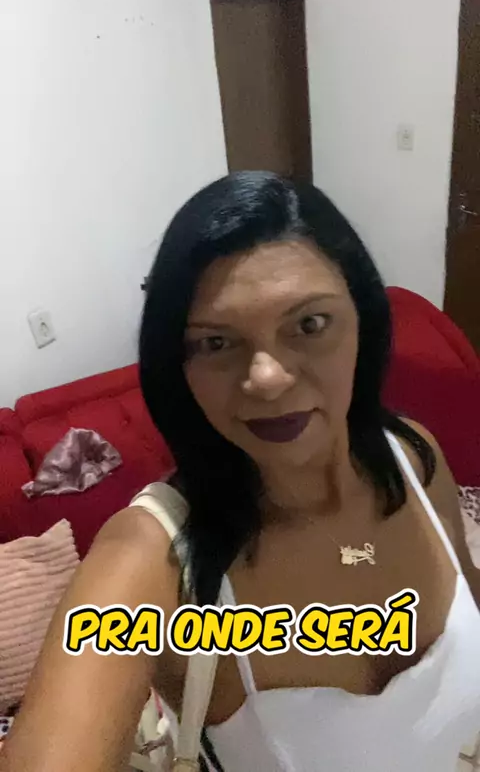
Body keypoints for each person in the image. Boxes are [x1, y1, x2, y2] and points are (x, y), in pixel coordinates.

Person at [2, 171, 480, 772]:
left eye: (309, 324)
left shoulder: (413, 458)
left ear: (363, 321)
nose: (268, 378)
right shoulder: (153, 561)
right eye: (216, 343)